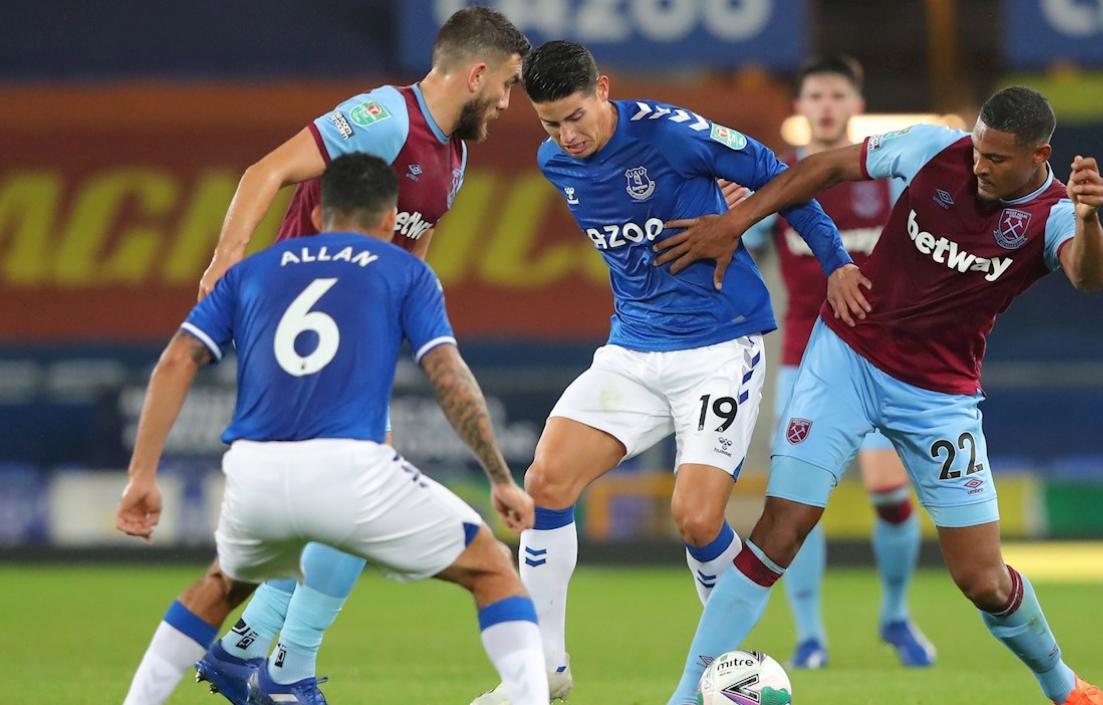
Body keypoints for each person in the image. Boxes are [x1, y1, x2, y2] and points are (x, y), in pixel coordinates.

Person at [656, 86, 1103, 705]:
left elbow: (1088, 277)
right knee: (782, 527)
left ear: (1041, 155)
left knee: (982, 579)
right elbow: (823, 167)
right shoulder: (936, 148)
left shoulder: (1058, 214)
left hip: (939, 397)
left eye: (996, 159)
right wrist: (736, 222)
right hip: (846, 357)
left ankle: (1063, 687)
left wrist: (1089, 222)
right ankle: (686, 695)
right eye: (978, 149)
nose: (978, 165)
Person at [468, 40, 865, 705]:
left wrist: (833, 263)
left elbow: (780, 173)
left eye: (576, 116)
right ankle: (540, 675)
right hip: (633, 352)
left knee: (694, 516)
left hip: (720, 348)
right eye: (550, 123)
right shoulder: (554, 163)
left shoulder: (672, 135)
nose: (567, 136)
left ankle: (728, 668)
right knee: (544, 483)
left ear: (604, 88)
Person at [174, 7, 530, 703]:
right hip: (297, 329)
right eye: (509, 85)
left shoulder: (455, 157)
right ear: (477, 71)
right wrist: (226, 259)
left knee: (339, 500)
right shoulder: (384, 117)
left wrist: (401, 338)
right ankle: (284, 669)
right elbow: (267, 169)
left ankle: (249, 648)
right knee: (355, 493)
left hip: (351, 344)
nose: (507, 103)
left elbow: (412, 256)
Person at [117, 154, 544, 705]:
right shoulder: (404, 270)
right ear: (391, 221)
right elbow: (447, 375)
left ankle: (178, 684)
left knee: (218, 587)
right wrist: (501, 476)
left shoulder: (254, 271)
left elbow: (176, 362)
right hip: (348, 467)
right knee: (491, 567)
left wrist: (142, 474)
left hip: (253, 472)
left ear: (317, 214)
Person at [739, 56, 934, 670]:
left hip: (881, 361)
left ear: (855, 105)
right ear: (802, 108)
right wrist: (735, 212)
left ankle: (897, 616)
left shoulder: (889, 180)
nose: (826, 105)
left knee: (887, 490)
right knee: (799, 500)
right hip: (804, 360)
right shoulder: (784, 182)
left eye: (837, 95)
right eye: (815, 95)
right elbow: (743, 247)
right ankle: (809, 635)